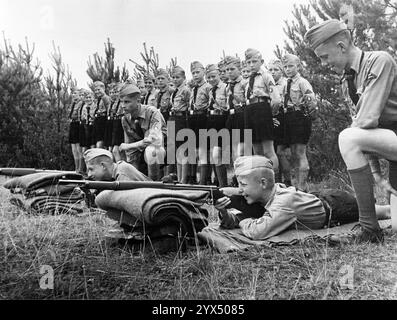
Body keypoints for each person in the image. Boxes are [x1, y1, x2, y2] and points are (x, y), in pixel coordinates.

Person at [304, 19, 397, 243]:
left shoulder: (379, 60)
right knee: (396, 226)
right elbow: (364, 138)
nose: (323, 64)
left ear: (341, 46)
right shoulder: (347, 81)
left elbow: (366, 120)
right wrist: (376, 175)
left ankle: (369, 229)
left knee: (347, 136)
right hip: (393, 151)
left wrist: (355, 133)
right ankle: (379, 215)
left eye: (324, 57)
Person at [215, 156, 390, 241]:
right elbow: (236, 221)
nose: (240, 190)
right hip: (319, 198)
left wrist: (244, 219)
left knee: (382, 212)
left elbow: (258, 232)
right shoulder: (267, 196)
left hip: (337, 206)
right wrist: (224, 210)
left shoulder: (282, 203)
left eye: (243, 185)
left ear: (262, 183)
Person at [83, 148, 150, 232]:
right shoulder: (115, 172)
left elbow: (129, 205)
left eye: (91, 169)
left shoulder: (122, 174)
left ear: (103, 166)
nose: (89, 174)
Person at [281, 54, 317, 191]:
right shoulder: (286, 82)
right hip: (288, 117)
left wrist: (307, 117)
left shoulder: (302, 82)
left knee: (300, 152)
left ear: (298, 66)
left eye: (291, 66)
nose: (288, 69)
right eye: (285, 67)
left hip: (300, 117)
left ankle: (302, 187)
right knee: (294, 154)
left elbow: (311, 101)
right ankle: (299, 185)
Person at [118, 83, 167, 181]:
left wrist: (127, 146)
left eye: (127, 102)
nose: (123, 106)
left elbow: (152, 140)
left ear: (138, 101)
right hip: (140, 151)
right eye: (122, 102)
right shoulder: (125, 119)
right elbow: (129, 147)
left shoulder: (153, 112)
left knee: (151, 151)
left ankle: (154, 185)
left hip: (165, 149)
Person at [244, 48, 281, 173]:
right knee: (257, 152)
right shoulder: (248, 79)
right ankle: (261, 181)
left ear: (261, 61)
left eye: (254, 61)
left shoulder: (266, 76)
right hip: (250, 111)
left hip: (262, 110)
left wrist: (270, 116)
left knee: (268, 151)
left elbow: (276, 100)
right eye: (248, 62)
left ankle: (274, 180)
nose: (251, 65)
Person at [268, 59, 291, 186]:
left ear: (281, 71)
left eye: (276, 69)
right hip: (271, 117)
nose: (273, 72)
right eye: (270, 69)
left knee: (281, 151)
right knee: (273, 150)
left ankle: (287, 182)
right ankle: (277, 181)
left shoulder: (286, 83)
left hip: (283, 117)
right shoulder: (268, 84)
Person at [205, 63, 229, 187]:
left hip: (222, 120)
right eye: (208, 77)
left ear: (219, 74)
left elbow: (229, 106)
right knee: (213, 154)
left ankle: (225, 185)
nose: (211, 79)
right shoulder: (210, 90)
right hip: (212, 120)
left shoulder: (226, 87)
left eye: (213, 76)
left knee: (220, 154)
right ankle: (220, 184)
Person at [188, 61, 212, 185]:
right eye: (193, 73)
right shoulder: (193, 89)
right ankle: (193, 178)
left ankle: (204, 180)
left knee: (203, 151)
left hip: (203, 119)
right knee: (194, 150)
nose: (195, 75)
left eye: (198, 72)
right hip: (194, 119)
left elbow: (211, 103)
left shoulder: (208, 87)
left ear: (203, 71)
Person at [167, 66, 191, 183]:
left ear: (184, 78)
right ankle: (179, 177)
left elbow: (188, 105)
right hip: (173, 118)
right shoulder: (174, 91)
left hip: (181, 119)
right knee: (177, 150)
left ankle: (183, 180)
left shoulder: (186, 90)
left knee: (183, 150)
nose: (175, 79)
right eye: (173, 77)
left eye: (178, 77)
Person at [92, 81, 111, 149]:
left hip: (103, 121)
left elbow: (108, 111)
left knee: (100, 143)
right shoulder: (99, 99)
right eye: (95, 90)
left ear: (104, 89)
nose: (97, 92)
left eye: (98, 90)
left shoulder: (106, 98)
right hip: (98, 121)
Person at [68, 87, 83, 174]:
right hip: (73, 124)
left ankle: (80, 169)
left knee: (78, 149)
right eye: (72, 93)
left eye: (75, 93)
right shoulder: (73, 103)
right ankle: (76, 168)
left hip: (78, 124)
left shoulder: (81, 103)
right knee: (74, 149)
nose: (74, 95)